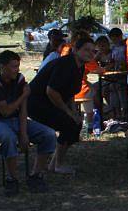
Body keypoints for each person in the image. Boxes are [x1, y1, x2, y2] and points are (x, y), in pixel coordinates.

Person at [0, 50, 56, 195]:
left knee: (48, 134)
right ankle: (12, 179)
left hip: (18, 120)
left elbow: (23, 110)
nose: (16, 70)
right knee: (8, 138)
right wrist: (24, 95)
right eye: (13, 66)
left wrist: (24, 134)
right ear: (1, 67)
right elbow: (5, 111)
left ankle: (36, 175)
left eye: (17, 66)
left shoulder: (19, 79)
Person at [28, 34, 97, 175]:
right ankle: (57, 165)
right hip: (35, 103)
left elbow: (69, 92)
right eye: (86, 50)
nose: (90, 53)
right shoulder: (65, 64)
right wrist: (68, 112)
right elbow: (51, 91)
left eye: (93, 51)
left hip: (50, 101)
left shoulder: (80, 67)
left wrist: (74, 112)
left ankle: (54, 164)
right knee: (68, 123)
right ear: (75, 50)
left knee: (75, 123)